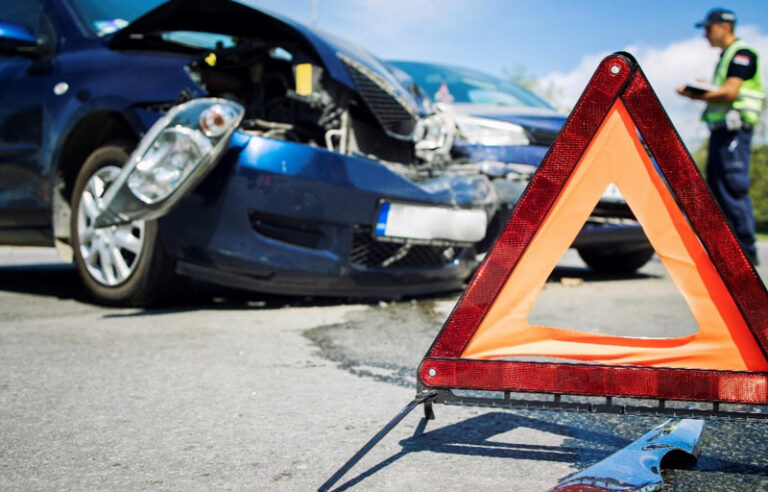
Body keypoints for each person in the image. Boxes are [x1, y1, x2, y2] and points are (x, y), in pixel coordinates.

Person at [678, 8, 765, 265]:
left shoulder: (742, 54)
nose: (705, 34)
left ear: (724, 26)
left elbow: (729, 93)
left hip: (734, 131)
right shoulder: (726, 56)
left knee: (732, 186)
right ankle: (729, 249)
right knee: (717, 187)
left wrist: (696, 94)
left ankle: (745, 251)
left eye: (708, 28)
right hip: (722, 132)